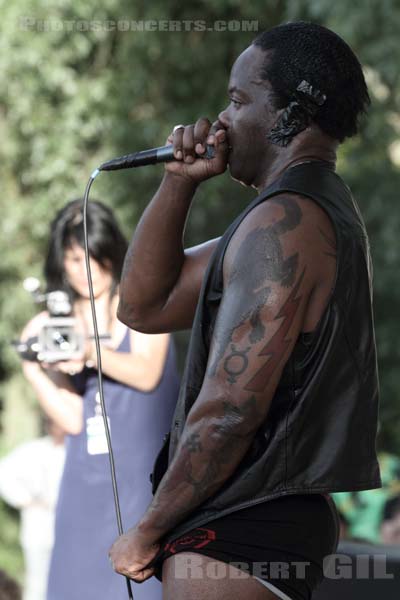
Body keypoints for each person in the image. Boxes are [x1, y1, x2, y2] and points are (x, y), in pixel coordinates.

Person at [109, 21, 381, 600]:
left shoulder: (290, 225)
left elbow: (232, 406)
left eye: (238, 99)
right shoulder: (286, 218)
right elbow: (143, 305)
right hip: (246, 525)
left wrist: (150, 528)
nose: (222, 119)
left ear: (292, 113)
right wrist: (178, 183)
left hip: (241, 528)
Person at [20, 199, 180, 600]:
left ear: (112, 252)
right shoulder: (62, 321)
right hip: (83, 486)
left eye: (93, 257)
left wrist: (89, 351)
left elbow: (146, 373)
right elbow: (72, 419)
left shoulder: (141, 300)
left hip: (146, 485)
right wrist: (32, 364)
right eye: (74, 260)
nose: (85, 270)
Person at [0, 417, 65, 600]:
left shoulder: (76, 451)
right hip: (39, 527)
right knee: (38, 583)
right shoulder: (33, 451)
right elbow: (4, 473)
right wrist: (26, 500)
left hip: (69, 530)